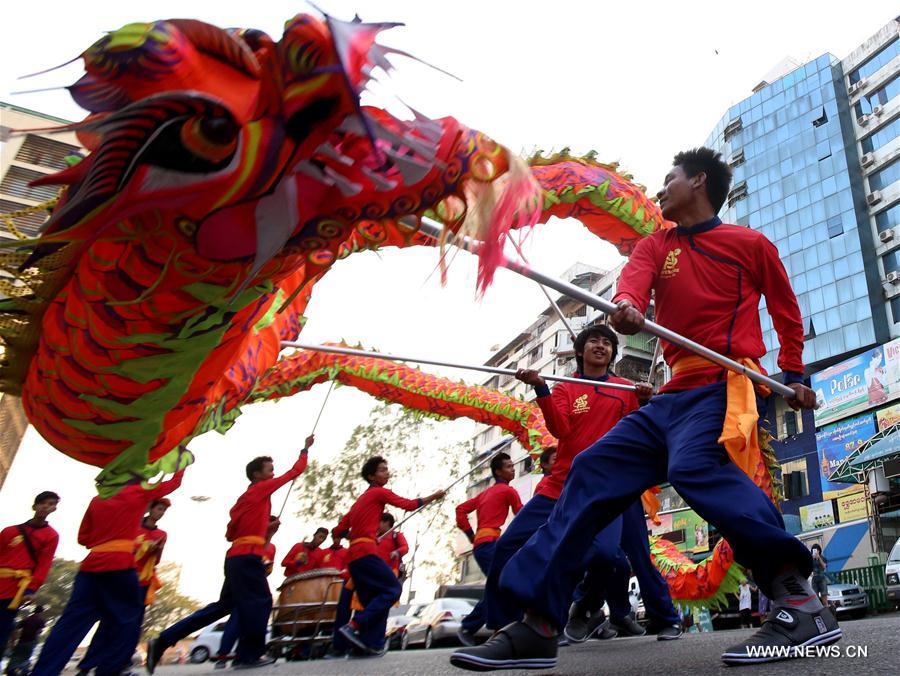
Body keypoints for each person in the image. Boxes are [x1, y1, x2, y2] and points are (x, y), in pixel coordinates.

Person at [449, 147, 834, 672]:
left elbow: (786, 310)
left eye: (670, 178)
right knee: (589, 470)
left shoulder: (748, 244)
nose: (661, 188)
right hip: (672, 396)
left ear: (698, 181)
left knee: (693, 468)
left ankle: (797, 598)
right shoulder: (658, 244)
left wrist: (793, 373)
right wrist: (626, 306)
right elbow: (634, 282)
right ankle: (539, 624)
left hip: (723, 384)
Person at [450, 324, 649, 664]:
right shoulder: (567, 388)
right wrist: (542, 389)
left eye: (607, 343)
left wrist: (646, 402)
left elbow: (637, 432)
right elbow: (559, 428)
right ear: (580, 350)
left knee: (604, 556)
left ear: (614, 353)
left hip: (603, 490)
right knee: (508, 548)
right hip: (560, 488)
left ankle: (584, 609)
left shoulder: (625, 389)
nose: (601, 346)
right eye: (594, 341)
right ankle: (506, 628)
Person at [147, 437, 314, 672]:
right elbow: (294, 472)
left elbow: (231, 533)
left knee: (224, 606)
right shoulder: (261, 489)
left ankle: (164, 640)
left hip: (235, 557)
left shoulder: (243, 500)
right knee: (261, 601)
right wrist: (305, 449)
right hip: (247, 557)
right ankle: (248, 655)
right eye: (269, 469)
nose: (273, 473)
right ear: (257, 475)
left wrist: (264, 532)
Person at [32, 470, 184, 676]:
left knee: (70, 624)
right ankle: (109, 670)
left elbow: (83, 538)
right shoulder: (139, 493)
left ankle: (43, 672)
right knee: (127, 622)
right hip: (121, 566)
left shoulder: (97, 499)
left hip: (91, 565)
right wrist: (182, 459)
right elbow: (173, 483)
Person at [331, 456, 444, 656]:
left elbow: (338, 530)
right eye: (382, 470)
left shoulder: (359, 502)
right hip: (366, 554)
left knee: (372, 600)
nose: (387, 473)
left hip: (355, 558)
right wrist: (433, 496)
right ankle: (354, 625)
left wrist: (357, 536)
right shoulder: (378, 492)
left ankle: (368, 644)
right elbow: (408, 504)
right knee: (392, 589)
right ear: (371, 476)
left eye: (386, 469)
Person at [77, 497, 174, 674]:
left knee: (132, 627)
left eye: (163, 510)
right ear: (149, 509)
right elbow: (122, 549)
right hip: (124, 577)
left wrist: (155, 550)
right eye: (158, 509)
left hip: (143, 582)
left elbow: (156, 561)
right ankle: (88, 664)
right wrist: (143, 547)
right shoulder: (132, 527)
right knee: (108, 623)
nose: (160, 513)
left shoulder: (162, 534)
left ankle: (121, 663)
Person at [455, 451, 522, 644]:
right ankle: (471, 626)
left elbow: (460, 510)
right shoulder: (508, 491)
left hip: (482, 545)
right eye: (509, 466)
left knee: (503, 585)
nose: (513, 469)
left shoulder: (485, 493)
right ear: (499, 472)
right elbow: (522, 515)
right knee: (505, 584)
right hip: (491, 544)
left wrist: (471, 536)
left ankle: (501, 630)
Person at [214, 517, 281, 669]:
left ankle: (242, 654)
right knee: (237, 617)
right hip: (242, 581)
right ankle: (224, 655)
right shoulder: (247, 542)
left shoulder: (271, 548)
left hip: (256, 581)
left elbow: (268, 569)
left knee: (250, 618)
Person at [0, 491, 59, 655]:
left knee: (3, 627)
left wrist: (31, 589)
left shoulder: (51, 536)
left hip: (15, 590)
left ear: (54, 509)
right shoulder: (9, 531)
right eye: (43, 503)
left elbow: (43, 565)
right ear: (35, 506)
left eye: (51, 504)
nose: (46, 507)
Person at [5, 605, 46, 675]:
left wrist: (13, 642)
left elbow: (15, 629)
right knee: (25, 660)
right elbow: (39, 631)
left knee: (14, 659)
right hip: (30, 643)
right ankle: (22, 672)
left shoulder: (27, 619)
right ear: (41, 612)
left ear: (34, 610)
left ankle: (11, 672)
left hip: (21, 642)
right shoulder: (40, 621)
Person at [375, 514, 409, 579]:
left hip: (390, 571)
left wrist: (397, 552)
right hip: (374, 570)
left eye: (379, 522)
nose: (377, 525)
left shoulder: (396, 535)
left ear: (387, 523)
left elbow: (405, 547)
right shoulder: (374, 537)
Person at [810, 544, 828, 608]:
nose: (816, 551)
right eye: (814, 550)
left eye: (817, 550)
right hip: (814, 578)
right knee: (815, 598)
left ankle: (827, 613)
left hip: (822, 578)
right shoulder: (811, 558)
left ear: (819, 550)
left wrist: (819, 557)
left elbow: (824, 567)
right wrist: (811, 558)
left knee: (824, 597)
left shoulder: (823, 558)